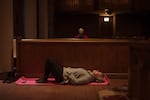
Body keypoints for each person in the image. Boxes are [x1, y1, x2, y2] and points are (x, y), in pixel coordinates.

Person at [36, 58, 104, 85]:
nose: (97, 71)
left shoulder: (88, 77)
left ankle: (45, 78)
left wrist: (69, 74)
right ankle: (45, 78)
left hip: (62, 76)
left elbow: (76, 82)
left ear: (96, 77)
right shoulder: (89, 74)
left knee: (49, 61)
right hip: (64, 71)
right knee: (50, 61)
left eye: (98, 72)